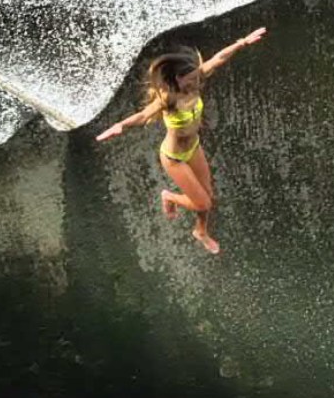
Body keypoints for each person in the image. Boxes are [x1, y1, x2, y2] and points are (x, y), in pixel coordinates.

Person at [96, 27, 267, 254]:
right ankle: (169, 197)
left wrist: (242, 42)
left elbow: (219, 58)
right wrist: (121, 126)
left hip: (194, 148)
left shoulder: (197, 78)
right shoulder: (168, 99)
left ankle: (200, 232)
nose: (195, 82)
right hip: (174, 157)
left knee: (208, 198)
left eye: (196, 76)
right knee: (203, 203)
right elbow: (144, 115)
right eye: (190, 79)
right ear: (177, 79)